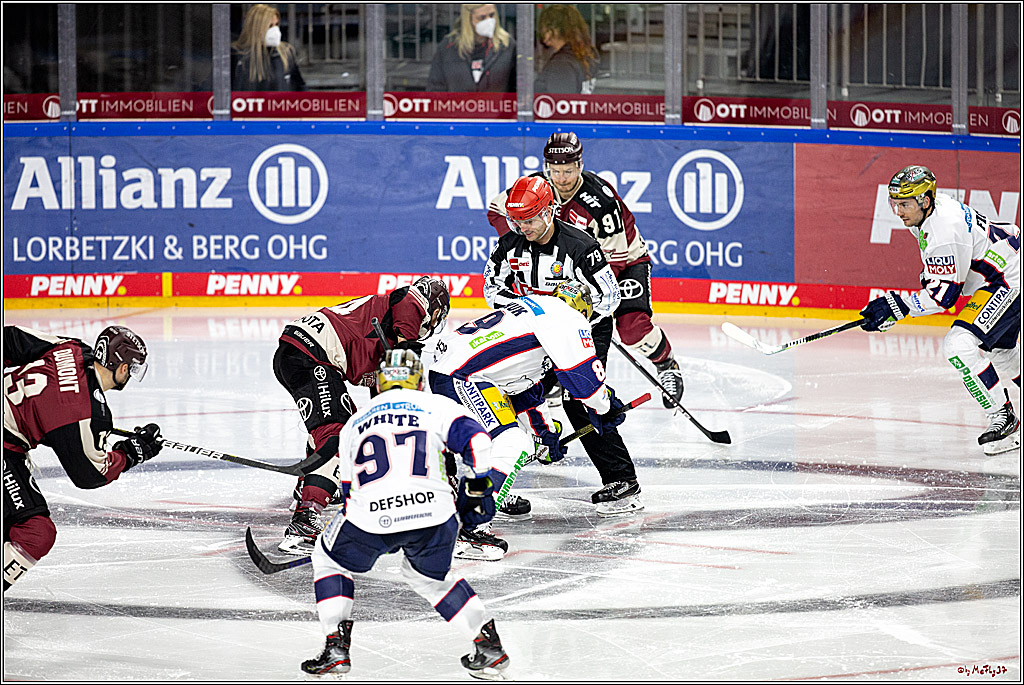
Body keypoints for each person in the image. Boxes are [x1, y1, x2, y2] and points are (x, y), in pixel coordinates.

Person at [301, 349, 510, 680]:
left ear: (381, 379)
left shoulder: (355, 421)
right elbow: (479, 443)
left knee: (328, 560)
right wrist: (477, 489)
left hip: (370, 515)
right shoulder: (436, 405)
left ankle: (336, 648)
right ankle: (488, 644)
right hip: (434, 512)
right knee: (428, 578)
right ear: (418, 379)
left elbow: (347, 491)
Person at [430, 280, 630, 560]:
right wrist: (605, 406)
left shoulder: (532, 308)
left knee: (514, 440)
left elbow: (523, 388)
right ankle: (470, 527)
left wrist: (545, 436)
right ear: (585, 308)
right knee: (511, 442)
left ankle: (481, 498)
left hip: (459, 372)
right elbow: (586, 384)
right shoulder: (568, 318)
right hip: (464, 376)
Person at [482, 175, 644, 518]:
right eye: (516, 220)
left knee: (579, 395)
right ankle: (502, 483)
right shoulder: (508, 246)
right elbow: (492, 289)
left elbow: (610, 296)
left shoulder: (581, 245)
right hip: (534, 330)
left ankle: (622, 479)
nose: (521, 227)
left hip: (583, 330)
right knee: (508, 395)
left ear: (549, 211)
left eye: (528, 220)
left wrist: (577, 306)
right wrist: (530, 307)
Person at [487, 131, 685, 409]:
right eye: (555, 171)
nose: (561, 178)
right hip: (573, 269)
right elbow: (496, 209)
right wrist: (523, 242)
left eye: (568, 170)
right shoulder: (534, 188)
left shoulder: (600, 201)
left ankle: (666, 363)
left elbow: (614, 259)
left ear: (580, 165)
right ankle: (552, 382)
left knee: (631, 328)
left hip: (623, 262)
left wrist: (584, 297)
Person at [275, 277, 451, 555]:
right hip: (311, 355)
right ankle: (304, 521)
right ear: (436, 309)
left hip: (302, 352)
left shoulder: (386, 334)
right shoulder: (413, 303)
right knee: (338, 434)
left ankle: (311, 485)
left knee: (338, 425)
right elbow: (409, 304)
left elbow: (383, 408)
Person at [861, 165, 1020, 455]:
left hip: (1007, 278)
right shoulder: (930, 213)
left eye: (905, 203)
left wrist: (897, 306)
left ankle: (1003, 416)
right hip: (1005, 267)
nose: (898, 211)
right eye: (894, 203)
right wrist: (900, 306)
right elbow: (940, 274)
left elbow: (945, 297)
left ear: (925, 200)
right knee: (1004, 354)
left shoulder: (944, 229)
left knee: (958, 345)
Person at [3, 325, 162, 591]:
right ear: (122, 368)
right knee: (35, 534)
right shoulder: (89, 416)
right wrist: (132, 453)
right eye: (133, 369)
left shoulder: (72, 348)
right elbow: (90, 475)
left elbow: (9, 338)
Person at [427, 4, 516, 93]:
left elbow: (517, 87)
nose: (489, 21)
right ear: (468, 19)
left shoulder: (507, 45)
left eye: (492, 15)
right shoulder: (448, 47)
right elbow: (436, 89)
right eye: (482, 18)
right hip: (458, 105)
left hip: (496, 106)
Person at [232, 4, 305, 91]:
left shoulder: (286, 53)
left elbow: (300, 88)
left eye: (276, 25)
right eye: (270, 26)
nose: (275, 30)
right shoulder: (236, 54)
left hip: (277, 103)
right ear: (256, 28)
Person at [535, 4, 598, 94]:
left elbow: (560, 103)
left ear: (554, 29)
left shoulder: (561, 64)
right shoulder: (587, 54)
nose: (541, 31)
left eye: (543, 26)